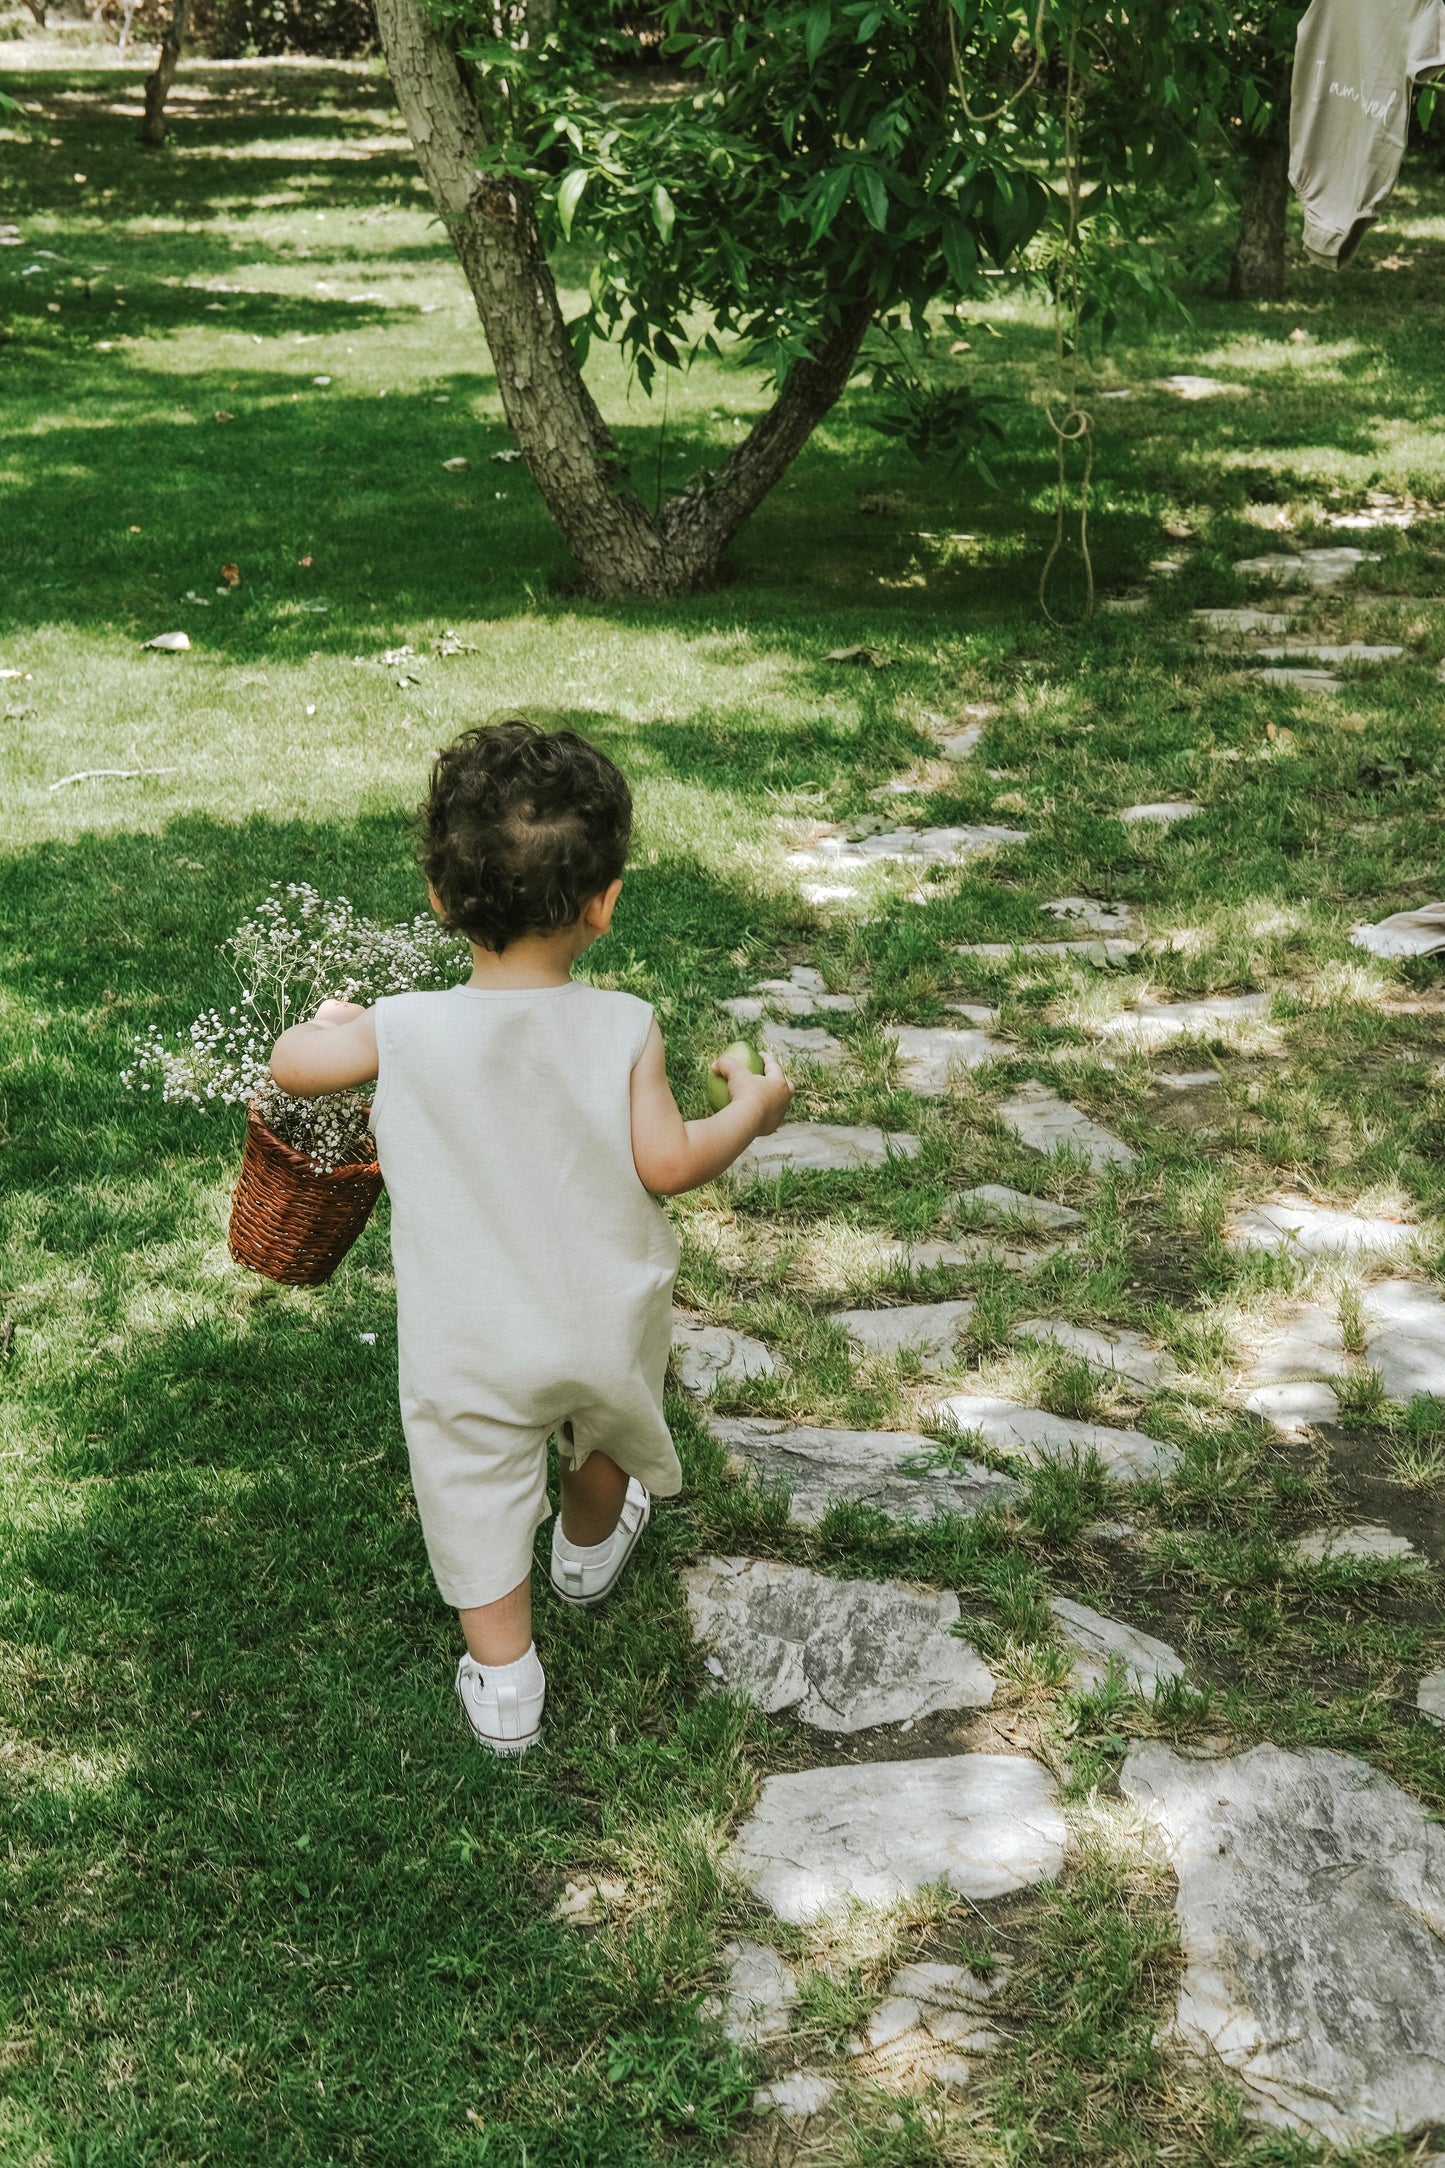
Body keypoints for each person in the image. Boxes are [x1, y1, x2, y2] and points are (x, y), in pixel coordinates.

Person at [269, 720, 792, 1756]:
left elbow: (292, 1064)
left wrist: (334, 1021)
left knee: (471, 1483)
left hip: (468, 1336)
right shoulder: (623, 1024)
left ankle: (506, 1683)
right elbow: (670, 1163)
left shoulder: (405, 1024)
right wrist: (752, 1107)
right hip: (601, 1317)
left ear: (439, 897)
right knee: (604, 1432)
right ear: (601, 903)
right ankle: (587, 1551)